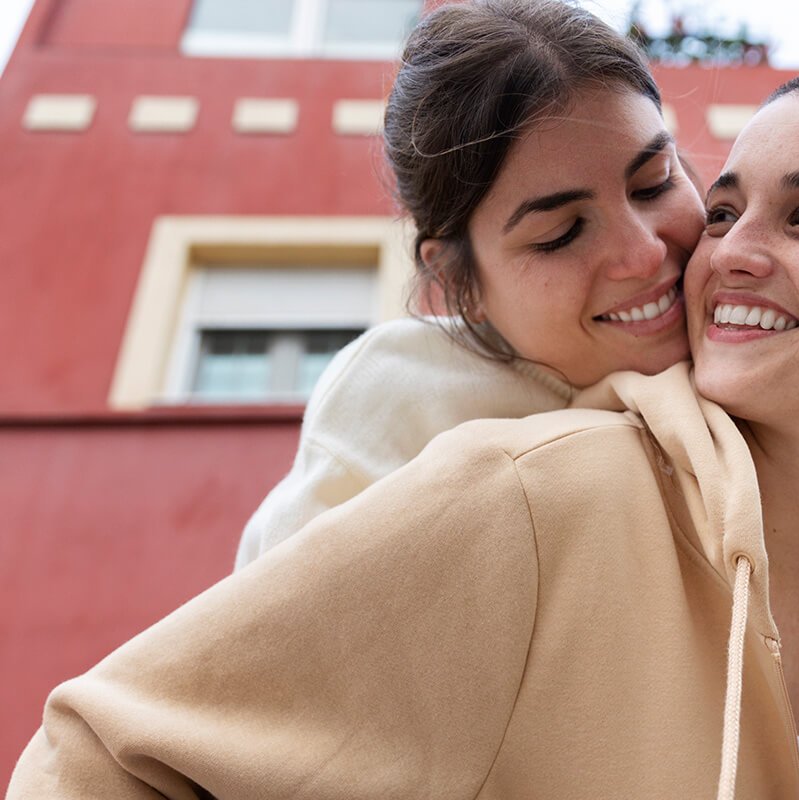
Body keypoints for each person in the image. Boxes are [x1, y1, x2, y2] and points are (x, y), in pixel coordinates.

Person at [7, 70, 799, 800]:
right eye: (724, 211)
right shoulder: (531, 495)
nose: (720, 254)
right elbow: (97, 754)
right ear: (464, 285)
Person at [233, 0, 704, 568]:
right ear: (460, 278)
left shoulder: (757, 316)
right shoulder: (396, 403)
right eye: (561, 234)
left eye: (655, 183)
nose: (645, 253)